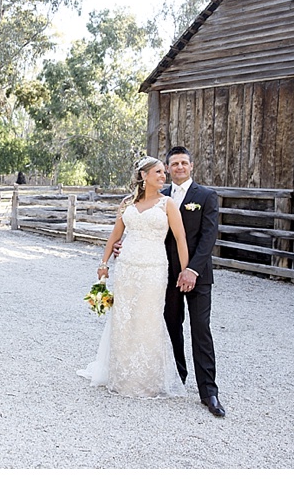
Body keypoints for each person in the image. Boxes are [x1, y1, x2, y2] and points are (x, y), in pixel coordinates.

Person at [78, 156, 189, 398]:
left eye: (164, 172)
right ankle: (122, 376)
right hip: (126, 268)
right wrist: (103, 263)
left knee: (148, 318)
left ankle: (148, 381)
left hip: (154, 267)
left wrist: (184, 270)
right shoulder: (127, 203)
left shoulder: (167, 204)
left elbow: (181, 239)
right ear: (143, 175)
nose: (164, 176)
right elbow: (115, 235)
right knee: (124, 318)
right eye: (158, 172)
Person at [163, 146, 224, 417]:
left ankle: (209, 392)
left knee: (201, 330)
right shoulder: (161, 196)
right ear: (166, 168)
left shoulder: (206, 196)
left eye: (183, 163)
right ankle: (177, 379)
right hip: (166, 275)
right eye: (174, 163)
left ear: (191, 165)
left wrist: (192, 270)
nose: (179, 167)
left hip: (197, 276)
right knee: (171, 326)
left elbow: (208, 238)